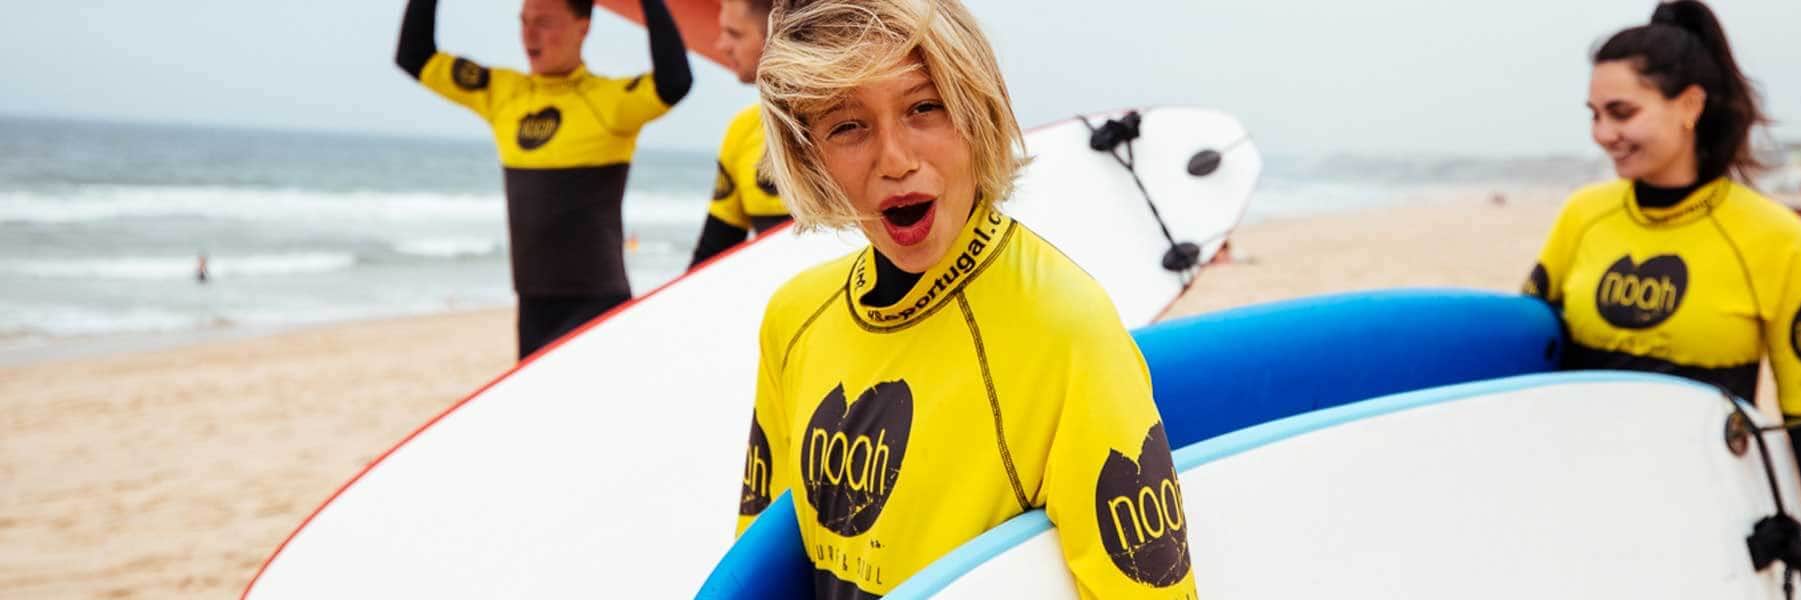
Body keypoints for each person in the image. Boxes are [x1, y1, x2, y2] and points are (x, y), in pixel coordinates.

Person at [732, 0, 1198, 597]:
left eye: (925, 107)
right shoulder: (794, 320)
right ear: (808, 154)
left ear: (979, 111)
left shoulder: (1064, 333)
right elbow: (761, 567)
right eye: (848, 126)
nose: (895, 161)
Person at [1522, 2, 1801, 595]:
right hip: (1581, 508)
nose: (1604, 135)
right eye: (1595, 115)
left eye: (1621, 112)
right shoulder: (1585, 216)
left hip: (1706, 522)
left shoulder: (1770, 235)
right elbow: (1525, 349)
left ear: (1690, 106)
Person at [394, 0, 693, 359]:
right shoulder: (502, 93)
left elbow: (675, 81)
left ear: (583, 28)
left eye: (545, 23)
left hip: (598, 304)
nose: (529, 35)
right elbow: (414, 56)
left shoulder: (611, 102)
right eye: (524, 22)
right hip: (533, 308)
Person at [688, 0, 792, 268]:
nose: (721, 45)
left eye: (734, 34)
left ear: (776, 35)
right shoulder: (743, 129)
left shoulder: (845, 123)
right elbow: (713, 252)